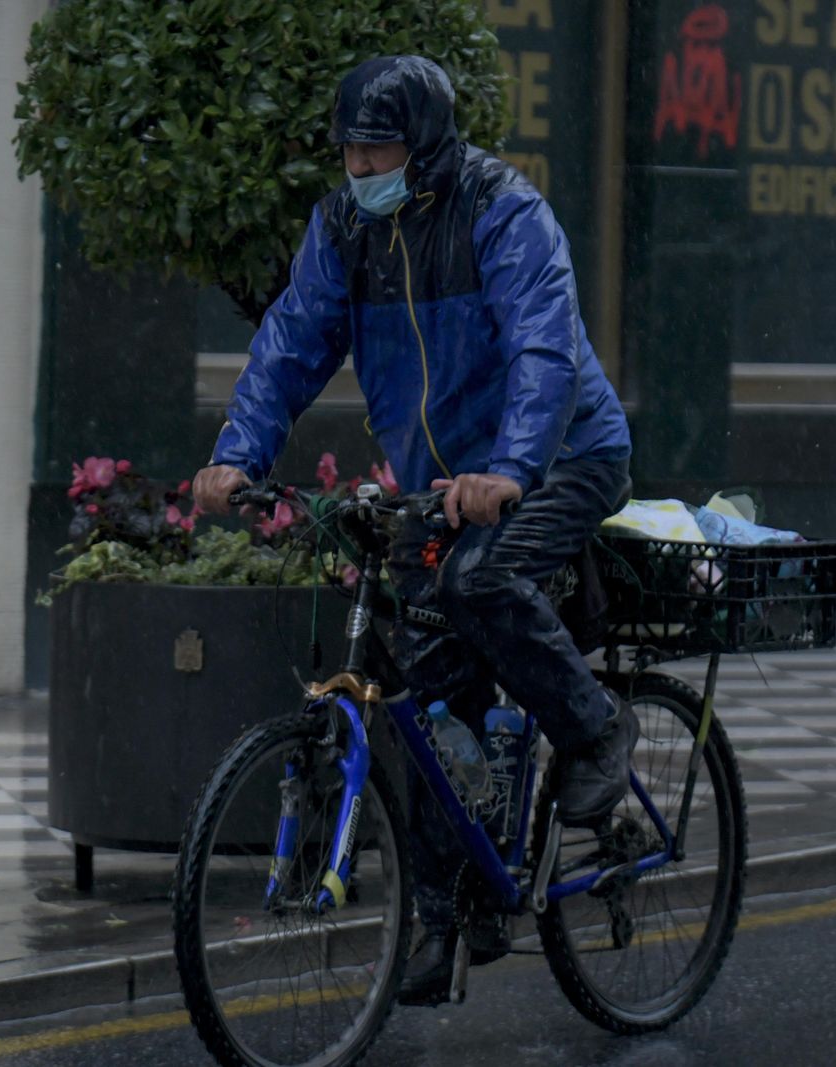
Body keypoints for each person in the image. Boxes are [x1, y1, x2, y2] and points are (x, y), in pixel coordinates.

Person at [192, 55, 635, 1005]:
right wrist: (237, 457)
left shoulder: (501, 211)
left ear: (425, 147)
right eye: (349, 150)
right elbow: (290, 344)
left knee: (477, 582)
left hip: (563, 456)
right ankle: (446, 918)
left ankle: (598, 731)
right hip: (442, 485)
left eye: (378, 149)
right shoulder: (343, 229)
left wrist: (512, 468)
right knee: (426, 695)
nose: (360, 167)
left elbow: (544, 350)